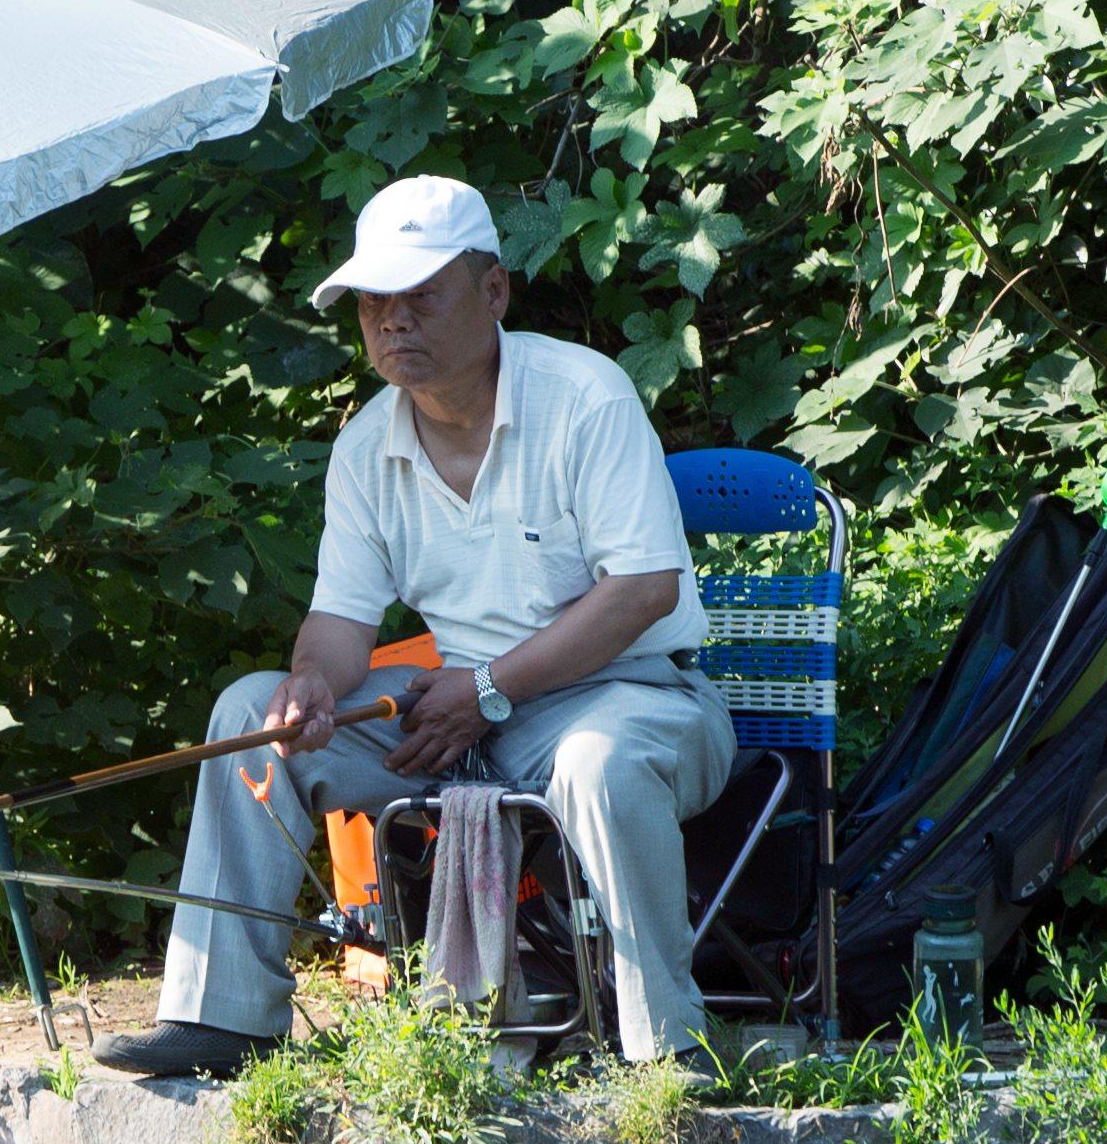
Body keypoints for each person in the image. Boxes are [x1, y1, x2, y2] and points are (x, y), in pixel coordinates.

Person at [96, 173, 738, 1080]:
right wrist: (313, 682)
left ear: (494, 293)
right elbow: (339, 619)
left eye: (421, 296)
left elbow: (642, 591)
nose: (393, 321)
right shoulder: (366, 446)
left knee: (601, 759)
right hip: (463, 713)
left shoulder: (584, 397)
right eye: (373, 303)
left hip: (633, 698)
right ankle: (223, 1016)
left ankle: (666, 1049)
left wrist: (488, 690)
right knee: (253, 713)